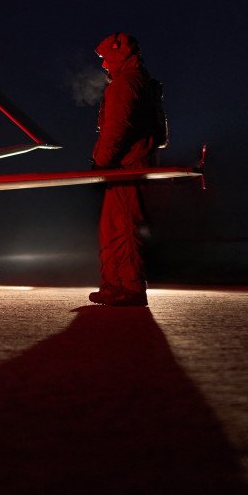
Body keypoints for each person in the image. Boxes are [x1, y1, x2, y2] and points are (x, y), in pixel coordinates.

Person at [89, 31, 157, 307]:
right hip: (127, 164)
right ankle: (114, 285)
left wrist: (101, 161)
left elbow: (116, 128)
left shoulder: (125, 84)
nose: (104, 65)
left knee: (124, 226)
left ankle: (129, 287)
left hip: (125, 166)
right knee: (112, 226)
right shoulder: (141, 82)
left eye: (107, 59)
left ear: (119, 56)